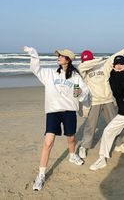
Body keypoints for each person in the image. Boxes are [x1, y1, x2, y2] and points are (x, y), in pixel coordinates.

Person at [23, 46, 90, 191]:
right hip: (53, 112)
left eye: (61, 56)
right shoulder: (50, 73)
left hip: (69, 112)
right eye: (58, 55)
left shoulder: (76, 77)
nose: (58, 57)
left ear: (68, 60)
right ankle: (41, 175)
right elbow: (36, 69)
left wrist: (79, 93)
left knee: (71, 138)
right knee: (48, 143)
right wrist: (34, 54)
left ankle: (72, 155)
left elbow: (84, 92)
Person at [77, 45, 124, 159]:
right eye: (85, 61)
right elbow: (82, 66)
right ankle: (84, 146)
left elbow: (113, 57)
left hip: (107, 99)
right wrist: (98, 60)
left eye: (88, 60)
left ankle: (119, 144)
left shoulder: (103, 66)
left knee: (114, 124)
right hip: (94, 101)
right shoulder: (83, 70)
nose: (87, 63)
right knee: (90, 126)